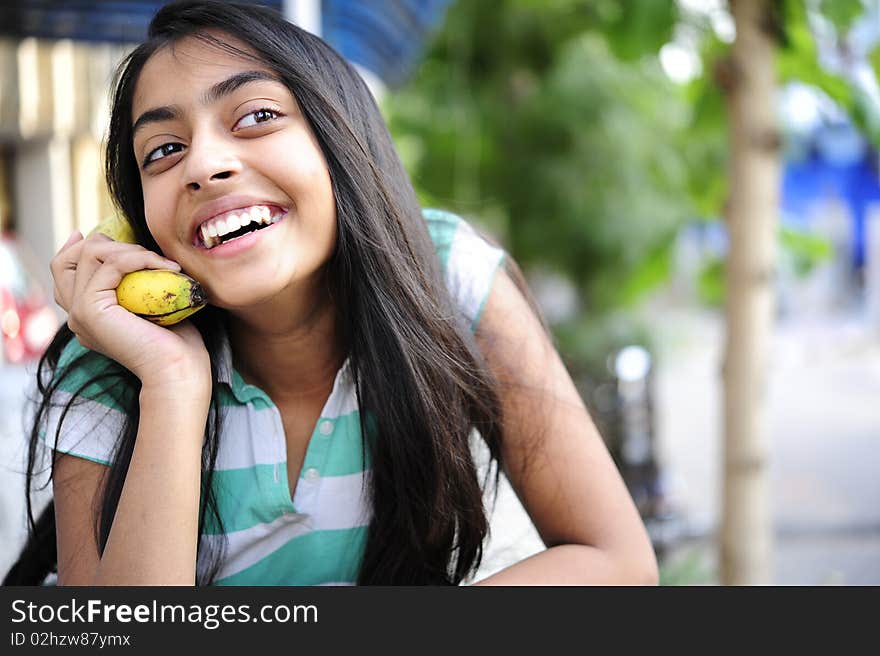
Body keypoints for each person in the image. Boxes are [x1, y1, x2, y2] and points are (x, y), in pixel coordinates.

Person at [7, 0, 658, 586]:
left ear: (339, 139)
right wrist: (172, 384)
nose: (204, 166)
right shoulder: (110, 359)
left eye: (257, 116)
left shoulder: (442, 272)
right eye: (164, 150)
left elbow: (615, 561)